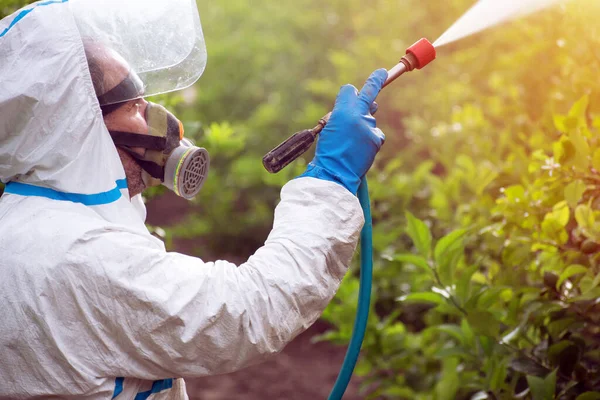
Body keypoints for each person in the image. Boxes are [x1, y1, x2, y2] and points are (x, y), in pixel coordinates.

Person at [0, 2, 386, 399]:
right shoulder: (81, 253)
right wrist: (332, 180)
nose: (160, 119)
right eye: (133, 105)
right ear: (76, 128)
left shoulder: (26, 222)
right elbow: (246, 311)